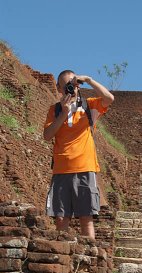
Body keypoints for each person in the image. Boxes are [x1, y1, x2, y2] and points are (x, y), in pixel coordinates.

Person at [43, 70, 114, 239]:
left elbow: (109, 99)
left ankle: (89, 260)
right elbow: (47, 136)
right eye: (66, 85)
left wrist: (89, 79)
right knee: (60, 218)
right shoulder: (54, 110)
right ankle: (62, 258)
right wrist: (64, 113)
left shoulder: (90, 107)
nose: (71, 88)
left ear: (78, 85)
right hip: (61, 170)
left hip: (84, 167)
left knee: (86, 218)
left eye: (73, 84)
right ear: (59, 88)